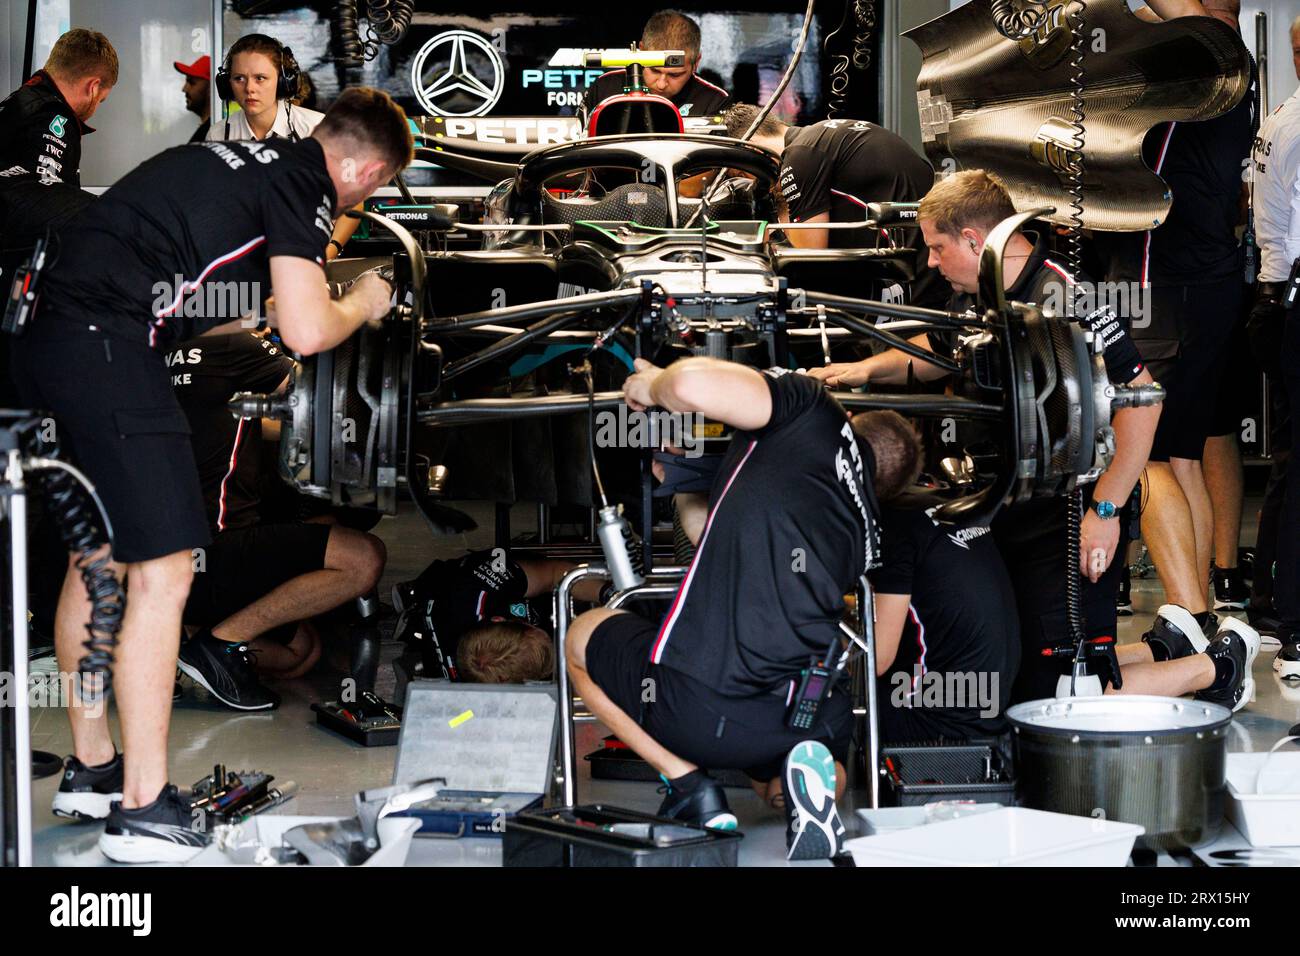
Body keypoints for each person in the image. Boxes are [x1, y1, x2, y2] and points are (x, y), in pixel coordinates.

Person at [12, 87, 414, 863]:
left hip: (42, 336)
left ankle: (94, 770)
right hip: (105, 343)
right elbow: (304, 328)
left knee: (95, 559)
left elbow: (202, 275)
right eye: (378, 183)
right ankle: (146, 810)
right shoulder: (304, 182)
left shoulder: (224, 156)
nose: (370, 196)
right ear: (363, 167)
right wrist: (361, 300)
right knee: (163, 573)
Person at [807, 170, 1256, 711]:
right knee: (1029, 664)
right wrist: (860, 370)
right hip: (1015, 505)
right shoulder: (985, 287)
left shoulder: (1063, 298)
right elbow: (941, 349)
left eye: (936, 248)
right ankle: (1169, 647)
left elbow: (1144, 397)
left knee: (1063, 692)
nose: (930, 262)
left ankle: (1220, 665)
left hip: (1071, 515)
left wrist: (1106, 511)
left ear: (974, 240)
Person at [565, 355, 923, 859]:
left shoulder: (811, 409)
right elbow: (714, 535)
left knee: (582, 636)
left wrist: (654, 385)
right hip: (806, 716)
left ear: (851, 420)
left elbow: (689, 382)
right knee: (787, 757)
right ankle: (807, 785)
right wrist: (684, 481)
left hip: (699, 711)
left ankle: (692, 787)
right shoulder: (865, 531)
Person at [1102, 0, 1256, 628]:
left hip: (1167, 289)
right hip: (1205, 287)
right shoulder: (1224, 76)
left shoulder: (1214, 58)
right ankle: (1205, 618)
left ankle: (1189, 619)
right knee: (1184, 453)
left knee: (1150, 453)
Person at [170, 330, 387, 706]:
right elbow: (320, 402)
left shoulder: (164, 349)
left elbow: (252, 419)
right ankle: (217, 646)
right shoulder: (236, 345)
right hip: (216, 549)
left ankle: (181, 638)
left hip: (167, 561)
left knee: (300, 653)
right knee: (363, 557)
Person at [722, 103, 945, 310]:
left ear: (753, 153)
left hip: (923, 271)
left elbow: (808, 260)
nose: (753, 183)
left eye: (742, 172)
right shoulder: (818, 138)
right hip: (929, 246)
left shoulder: (800, 155)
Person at [871, 492, 1020, 743]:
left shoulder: (893, 525)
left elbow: (876, 659)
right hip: (993, 709)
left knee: (835, 701)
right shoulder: (949, 503)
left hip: (938, 722)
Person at [207, 33, 360, 262]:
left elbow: (354, 202)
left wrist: (327, 253)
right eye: (239, 78)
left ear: (283, 81)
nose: (249, 88)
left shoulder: (319, 129)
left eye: (260, 78)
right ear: (226, 84)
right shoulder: (219, 135)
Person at [1245, 15, 1300, 646]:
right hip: (1288, 302)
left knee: (1289, 463)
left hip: (1275, 300)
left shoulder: (1280, 116)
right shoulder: (1293, 124)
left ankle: (1272, 603)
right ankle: (1286, 613)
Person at [391, 548, 603, 682]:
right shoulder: (467, 686)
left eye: (533, 630)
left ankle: (413, 596)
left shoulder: (486, 581)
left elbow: (557, 574)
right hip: (440, 648)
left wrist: (609, 593)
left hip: (456, 583)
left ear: (498, 619)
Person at [581, 11, 730, 121]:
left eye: (675, 75)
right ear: (640, 51)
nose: (661, 84)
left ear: (696, 63)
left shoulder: (714, 101)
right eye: (654, 70)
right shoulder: (604, 88)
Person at [174, 54, 211, 142]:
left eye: (191, 82)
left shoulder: (215, 134)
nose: (184, 89)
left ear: (212, 88)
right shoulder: (207, 130)